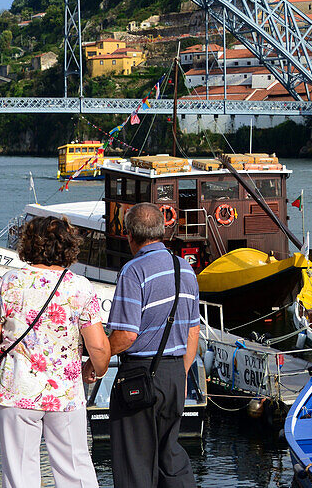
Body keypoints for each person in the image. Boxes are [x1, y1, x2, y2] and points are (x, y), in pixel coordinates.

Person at [0, 216, 110, 488]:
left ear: (28, 244)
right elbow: (97, 345)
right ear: (69, 247)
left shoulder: (10, 282)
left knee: (19, 472)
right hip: (65, 391)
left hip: (16, 389)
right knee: (75, 468)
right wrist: (96, 369)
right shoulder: (79, 287)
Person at [100, 203, 199, 488]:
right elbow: (194, 331)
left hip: (139, 374)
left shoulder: (133, 271)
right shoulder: (185, 269)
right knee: (170, 456)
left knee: (135, 463)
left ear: (130, 235)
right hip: (176, 374)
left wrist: (97, 357)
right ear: (162, 231)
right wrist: (178, 372)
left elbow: (126, 336)